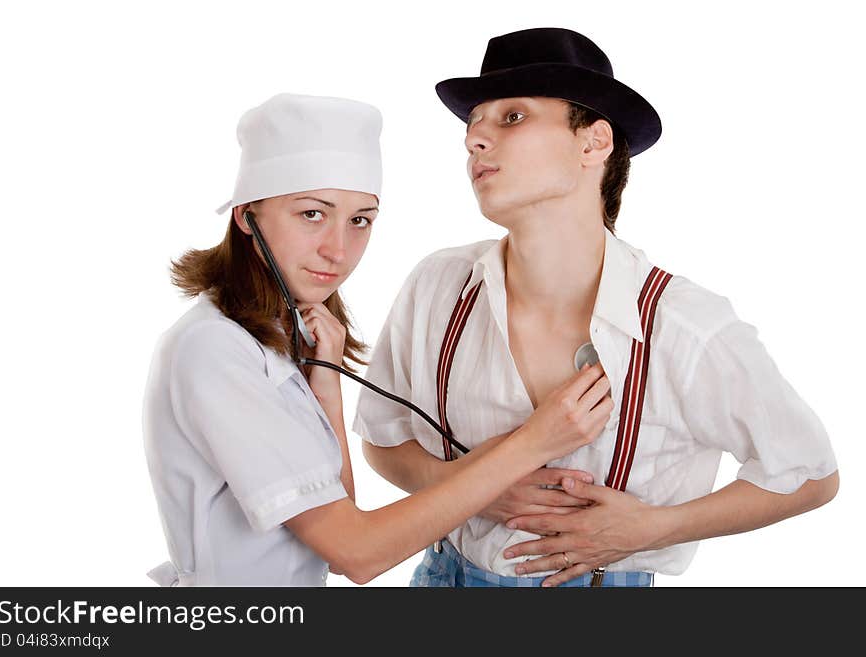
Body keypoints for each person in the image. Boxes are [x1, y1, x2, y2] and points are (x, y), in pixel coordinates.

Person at [354, 28, 839, 587]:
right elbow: (383, 441)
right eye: (473, 125)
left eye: (511, 117)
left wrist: (654, 528)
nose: (475, 141)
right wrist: (469, 483)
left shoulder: (683, 325)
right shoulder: (439, 285)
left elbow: (811, 475)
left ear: (593, 143)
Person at [142, 92, 608, 587]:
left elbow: (338, 513)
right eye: (312, 214)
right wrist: (533, 443)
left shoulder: (281, 339)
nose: (338, 250)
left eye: (359, 220)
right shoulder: (214, 349)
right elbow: (356, 554)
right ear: (247, 216)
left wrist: (326, 390)